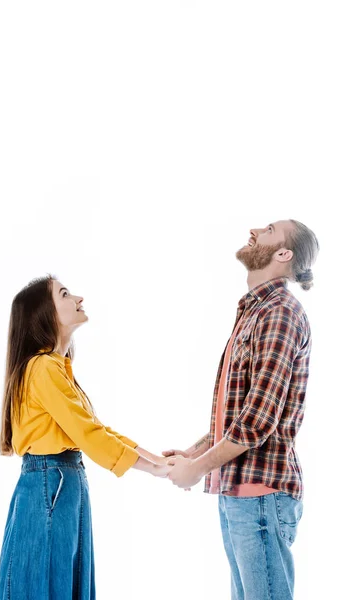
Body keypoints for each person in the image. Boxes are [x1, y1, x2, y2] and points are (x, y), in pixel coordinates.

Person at [164, 219, 319, 600]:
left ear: (283, 254)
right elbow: (241, 415)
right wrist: (194, 453)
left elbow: (257, 421)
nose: (253, 229)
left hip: (261, 496)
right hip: (241, 493)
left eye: (267, 229)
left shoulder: (279, 313)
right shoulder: (255, 311)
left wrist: (196, 470)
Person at [0, 275, 172, 600]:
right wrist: (156, 469)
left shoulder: (55, 368)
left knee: (60, 584)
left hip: (62, 483)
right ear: (45, 314)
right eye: (65, 294)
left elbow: (96, 429)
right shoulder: (42, 369)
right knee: (48, 585)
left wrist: (159, 462)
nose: (79, 297)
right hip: (53, 484)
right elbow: (90, 435)